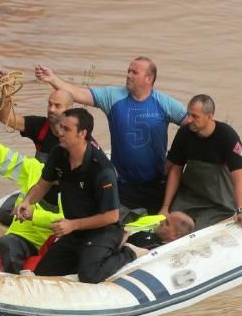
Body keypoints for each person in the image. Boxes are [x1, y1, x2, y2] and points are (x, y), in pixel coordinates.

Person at [36, 57, 187, 212]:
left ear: (149, 78)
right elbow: (80, 94)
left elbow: (192, 125)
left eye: (134, 72)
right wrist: (53, 79)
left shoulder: (164, 103)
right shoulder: (113, 96)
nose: (128, 75)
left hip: (156, 183)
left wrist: (175, 158)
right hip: (121, 184)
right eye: (128, 71)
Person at [14, 108, 135, 283]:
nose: (59, 132)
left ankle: (129, 251)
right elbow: (43, 184)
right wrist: (28, 201)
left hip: (103, 231)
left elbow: (112, 216)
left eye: (66, 129)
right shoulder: (58, 153)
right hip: (74, 231)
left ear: (82, 133)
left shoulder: (101, 169)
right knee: (42, 275)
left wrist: (73, 224)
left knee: (89, 275)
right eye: (60, 127)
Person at [160, 94, 242, 229]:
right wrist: (165, 207)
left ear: (209, 116)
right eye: (189, 114)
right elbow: (175, 170)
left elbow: (239, 176)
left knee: (196, 230)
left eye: (195, 116)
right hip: (188, 198)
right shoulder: (184, 133)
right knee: (168, 227)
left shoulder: (227, 136)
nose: (189, 120)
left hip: (219, 203)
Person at [0, 135, 63, 273]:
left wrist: (34, 215)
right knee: (6, 242)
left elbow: (68, 221)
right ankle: (14, 278)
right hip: (22, 240)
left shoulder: (77, 185)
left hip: (54, 244)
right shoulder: (34, 168)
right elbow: (0, 156)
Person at [0, 83, 75, 162]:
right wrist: (6, 94)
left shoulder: (79, 132)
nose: (51, 109)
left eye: (57, 106)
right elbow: (4, 118)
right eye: (50, 104)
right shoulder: (40, 126)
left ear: (69, 109)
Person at [126, 211, 195, 254]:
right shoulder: (145, 235)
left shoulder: (157, 251)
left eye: (167, 223)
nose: (161, 222)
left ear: (175, 235)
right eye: (164, 219)